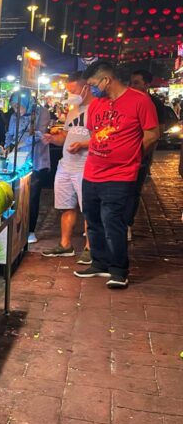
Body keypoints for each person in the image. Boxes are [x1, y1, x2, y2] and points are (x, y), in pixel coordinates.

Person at [71, 60, 160, 288]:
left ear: (106, 80)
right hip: (92, 172)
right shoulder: (98, 105)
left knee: (113, 222)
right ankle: (99, 263)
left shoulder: (139, 100)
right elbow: (97, 134)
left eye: (93, 84)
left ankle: (118, 270)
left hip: (120, 176)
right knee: (92, 220)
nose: (91, 89)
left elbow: (151, 134)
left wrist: (133, 156)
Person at [41, 71, 92, 263]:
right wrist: (52, 139)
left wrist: (83, 145)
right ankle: (65, 245)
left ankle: (90, 248)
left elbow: (105, 138)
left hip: (85, 166)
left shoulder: (97, 109)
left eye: (74, 90)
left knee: (88, 209)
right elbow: (65, 137)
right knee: (65, 207)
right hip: (66, 166)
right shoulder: (73, 110)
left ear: (85, 88)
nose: (71, 95)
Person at [4, 90, 52, 244]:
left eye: (18, 106)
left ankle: (30, 230)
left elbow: (40, 134)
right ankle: (15, 227)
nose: (16, 110)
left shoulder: (42, 113)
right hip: (16, 160)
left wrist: (23, 144)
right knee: (15, 194)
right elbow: (10, 135)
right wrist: (6, 147)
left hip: (35, 159)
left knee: (32, 196)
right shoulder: (14, 116)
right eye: (13, 107)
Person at [127, 69, 165, 236]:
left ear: (147, 85)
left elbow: (157, 132)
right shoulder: (126, 100)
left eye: (136, 82)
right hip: (123, 153)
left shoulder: (155, 103)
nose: (132, 86)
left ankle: (127, 223)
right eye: (131, 82)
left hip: (141, 154)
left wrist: (141, 153)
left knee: (134, 190)